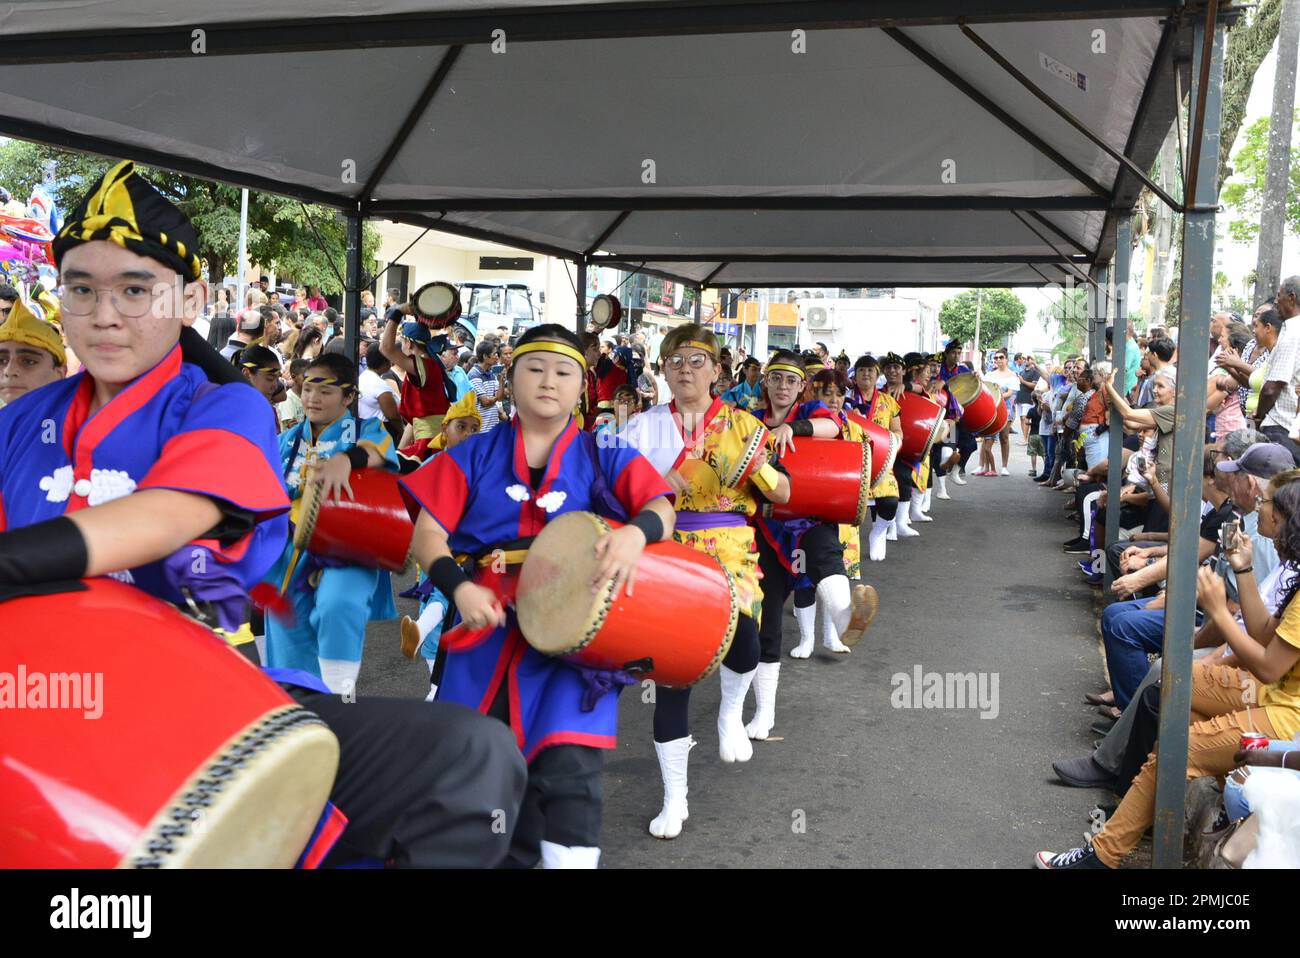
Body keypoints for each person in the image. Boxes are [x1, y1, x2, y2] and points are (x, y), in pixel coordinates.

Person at [400, 323, 676, 868]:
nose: (548, 381)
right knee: (479, 783)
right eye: (535, 368)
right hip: (484, 634)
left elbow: (661, 507)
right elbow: (426, 536)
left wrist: (633, 532)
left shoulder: (605, 451)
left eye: (564, 371)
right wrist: (458, 589)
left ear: (582, 387)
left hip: (575, 638)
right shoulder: (474, 453)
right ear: (510, 378)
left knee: (571, 776)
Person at [1037, 466, 1300, 868]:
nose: (1263, 511)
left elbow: (1268, 665)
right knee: (1172, 692)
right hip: (1273, 697)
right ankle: (1144, 814)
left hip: (1286, 717)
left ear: (1287, 523)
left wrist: (1217, 611)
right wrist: (1243, 568)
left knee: (1177, 746)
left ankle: (1102, 855)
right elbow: (1266, 631)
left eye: (1271, 509)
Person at [617, 324, 783, 838]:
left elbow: (783, 494)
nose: (684, 369)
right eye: (674, 361)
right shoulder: (640, 428)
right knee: (672, 675)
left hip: (731, 547)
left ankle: (731, 712)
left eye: (695, 360)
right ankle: (675, 798)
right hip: (666, 553)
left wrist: (762, 469)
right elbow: (615, 496)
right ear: (662, 370)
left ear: (717, 370)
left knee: (747, 641)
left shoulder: (745, 425)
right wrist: (661, 485)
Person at [262, 352, 399, 695]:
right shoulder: (286, 441)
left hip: (347, 547)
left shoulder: (365, 431)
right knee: (288, 641)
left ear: (349, 396)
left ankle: (340, 701)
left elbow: (378, 451)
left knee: (339, 606)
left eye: (325, 391)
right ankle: (297, 716)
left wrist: (346, 459)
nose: (312, 398)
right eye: (307, 389)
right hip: (289, 553)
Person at [755, 349, 877, 667]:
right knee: (767, 622)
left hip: (809, 514)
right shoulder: (750, 421)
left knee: (825, 552)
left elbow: (833, 428)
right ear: (766, 382)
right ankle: (762, 712)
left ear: (801, 387)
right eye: (776, 378)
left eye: (791, 380)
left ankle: (844, 619)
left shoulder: (810, 411)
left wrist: (793, 429)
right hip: (767, 526)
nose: (783, 386)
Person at [380, 306, 458, 461]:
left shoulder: (424, 366)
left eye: (402, 341)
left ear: (408, 343)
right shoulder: (429, 366)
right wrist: (400, 451)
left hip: (430, 443)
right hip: (433, 438)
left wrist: (398, 312)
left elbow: (385, 348)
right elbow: (419, 418)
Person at [0, 296, 66, 408]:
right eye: (1, 360)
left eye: (28, 361)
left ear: (59, 374)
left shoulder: (74, 423)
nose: (9, 371)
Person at [979, 350, 1018, 475]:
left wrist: (998, 396)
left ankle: (1004, 467)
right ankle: (983, 466)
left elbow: (1010, 393)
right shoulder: (990, 375)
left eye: (1001, 357)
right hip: (991, 408)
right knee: (987, 437)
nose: (998, 360)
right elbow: (984, 389)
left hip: (1006, 408)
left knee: (1004, 437)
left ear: (1006, 359)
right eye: (996, 358)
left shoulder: (1013, 375)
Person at [467, 340, 503, 432]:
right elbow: (485, 402)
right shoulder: (474, 374)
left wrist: (501, 381)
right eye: (494, 354)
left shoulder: (491, 373)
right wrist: (496, 397)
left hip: (492, 426)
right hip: (481, 428)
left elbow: (500, 397)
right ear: (485, 356)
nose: (497, 357)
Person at [278, 357, 309, 432]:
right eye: (305, 377)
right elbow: (292, 427)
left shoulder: (309, 397)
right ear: (293, 376)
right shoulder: (288, 399)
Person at [1016, 356, 1041, 445]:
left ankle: (1026, 439)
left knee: (1025, 418)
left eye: (1028, 359)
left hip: (1028, 398)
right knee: (1021, 419)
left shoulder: (1035, 372)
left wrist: (1023, 381)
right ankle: (1024, 437)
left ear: (1032, 361)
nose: (1025, 360)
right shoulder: (1022, 371)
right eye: (1024, 358)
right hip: (1019, 398)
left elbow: (1034, 386)